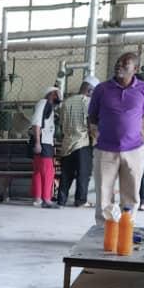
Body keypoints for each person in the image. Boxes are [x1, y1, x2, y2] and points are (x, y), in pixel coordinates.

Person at [88, 52, 144, 225]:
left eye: (125, 63)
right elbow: (92, 116)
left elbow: (143, 114)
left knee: (131, 195)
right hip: (105, 151)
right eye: (118, 62)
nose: (119, 65)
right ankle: (103, 231)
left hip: (134, 150)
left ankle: (126, 228)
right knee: (104, 194)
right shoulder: (102, 89)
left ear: (135, 69)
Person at [56, 77, 97, 207]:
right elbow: (90, 123)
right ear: (90, 90)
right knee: (83, 173)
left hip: (67, 143)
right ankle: (80, 200)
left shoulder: (66, 102)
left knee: (66, 173)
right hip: (82, 142)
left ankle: (61, 200)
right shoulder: (88, 102)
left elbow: (61, 123)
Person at [30, 86, 62, 208]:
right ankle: (46, 199)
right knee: (48, 171)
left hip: (43, 141)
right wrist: (38, 142)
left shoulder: (47, 106)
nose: (59, 97)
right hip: (43, 142)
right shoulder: (44, 103)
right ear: (52, 94)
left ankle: (38, 198)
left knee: (38, 171)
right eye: (58, 94)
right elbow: (36, 123)